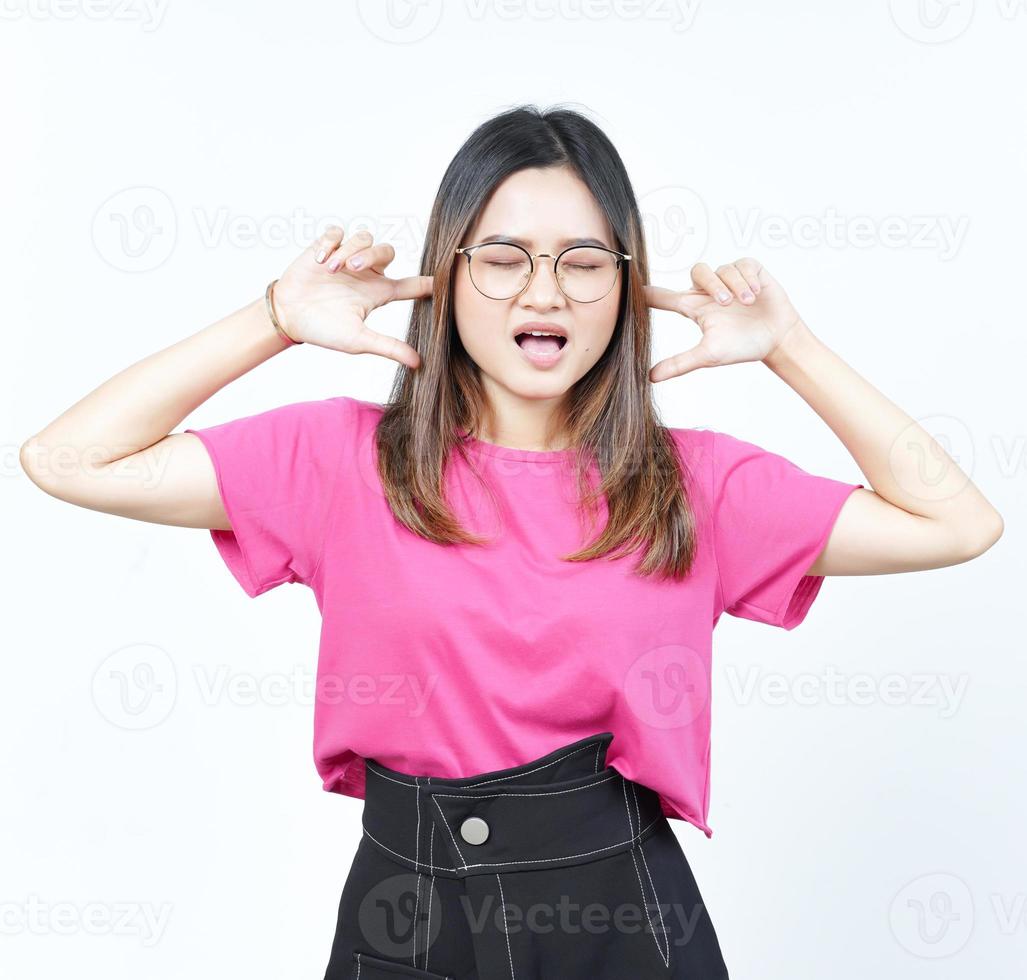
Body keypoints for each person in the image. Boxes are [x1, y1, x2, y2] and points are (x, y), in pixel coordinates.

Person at [19, 104, 1003, 980]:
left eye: (583, 259)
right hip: (404, 919)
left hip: (621, 923)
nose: (546, 291)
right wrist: (273, 318)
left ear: (625, 286)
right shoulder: (335, 457)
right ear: (445, 276)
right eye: (502, 255)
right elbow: (69, 457)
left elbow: (955, 521)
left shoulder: (693, 483)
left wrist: (790, 344)